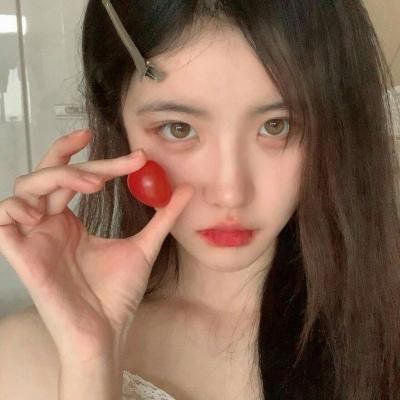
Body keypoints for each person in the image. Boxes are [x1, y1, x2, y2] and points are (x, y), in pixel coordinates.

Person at [0, 0, 399, 399]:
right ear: (119, 122)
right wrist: (90, 364)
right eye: (178, 128)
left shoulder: (383, 335)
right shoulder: (25, 356)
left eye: (276, 126)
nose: (230, 193)